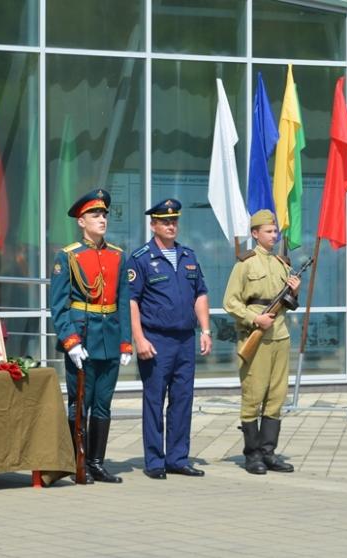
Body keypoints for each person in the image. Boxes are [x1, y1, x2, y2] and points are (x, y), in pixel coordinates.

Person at [50, 188, 133, 484]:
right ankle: (77, 460)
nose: (102, 219)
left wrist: (126, 342)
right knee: (79, 402)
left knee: (103, 403)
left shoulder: (118, 256)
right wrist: (70, 342)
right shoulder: (68, 256)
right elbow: (58, 306)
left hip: (109, 337)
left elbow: (123, 302)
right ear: (81, 221)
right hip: (82, 339)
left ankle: (97, 462)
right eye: (95, 215)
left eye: (104, 215)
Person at [127, 199, 211, 479]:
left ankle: (178, 458)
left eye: (174, 221)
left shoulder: (188, 256)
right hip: (156, 339)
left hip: (185, 339)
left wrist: (206, 330)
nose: (171, 225)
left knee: (182, 399)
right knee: (154, 400)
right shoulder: (140, 258)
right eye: (165, 221)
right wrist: (138, 338)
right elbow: (132, 301)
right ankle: (154, 460)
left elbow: (200, 293)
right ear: (153, 225)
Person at [223, 210, 300, 475]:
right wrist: (255, 319)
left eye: (275, 231)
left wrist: (294, 292)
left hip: (280, 336)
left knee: (276, 396)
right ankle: (252, 454)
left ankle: (268, 452)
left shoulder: (282, 264)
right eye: (268, 231)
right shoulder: (245, 263)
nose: (274, 235)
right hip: (255, 336)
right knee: (253, 395)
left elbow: (287, 305)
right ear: (255, 234)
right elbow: (230, 302)